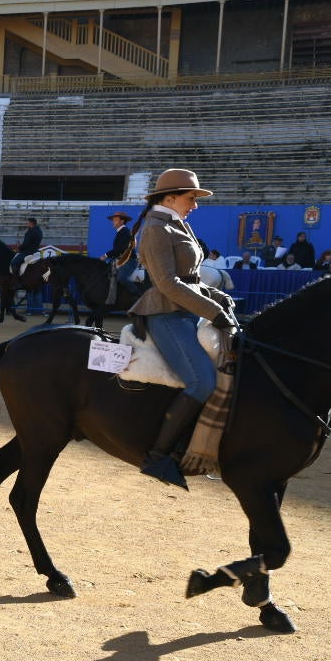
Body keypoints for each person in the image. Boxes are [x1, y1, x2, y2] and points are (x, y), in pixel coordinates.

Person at [126, 168, 238, 489]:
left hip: (188, 311)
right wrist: (213, 310)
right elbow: (167, 283)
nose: (195, 205)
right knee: (202, 381)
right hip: (167, 314)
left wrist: (217, 296)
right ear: (170, 197)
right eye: (192, 198)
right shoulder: (156, 229)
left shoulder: (177, 224)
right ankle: (158, 456)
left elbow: (191, 278)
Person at [103, 211, 138, 284]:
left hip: (129, 261)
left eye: (115, 220)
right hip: (123, 261)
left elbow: (119, 249)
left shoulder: (124, 232)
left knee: (121, 278)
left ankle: (136, 294)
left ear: (122, 221)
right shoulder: (122, 231)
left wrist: (105, 255)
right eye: (113, 220)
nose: (113, 222)